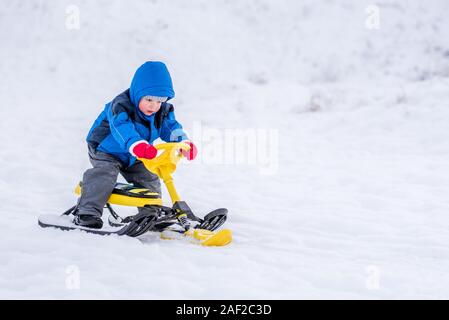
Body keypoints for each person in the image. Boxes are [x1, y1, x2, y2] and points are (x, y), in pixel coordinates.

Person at [75, 61, 197, 229]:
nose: (154, 106)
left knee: (149, 178)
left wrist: (183, 143)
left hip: (137, 154)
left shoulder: (161, 111)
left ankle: (150, 214)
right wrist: (137, 145)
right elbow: (122, 128)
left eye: (160, 101)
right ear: (137, 93)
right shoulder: (120, 106)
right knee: (105, 173)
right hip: (105, 150)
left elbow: (171, 128)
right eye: (149, 99)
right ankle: (87, 212)